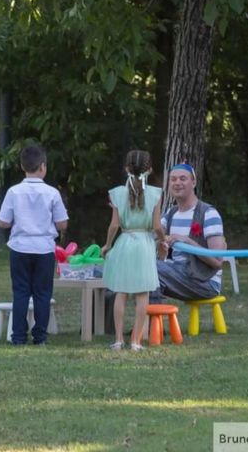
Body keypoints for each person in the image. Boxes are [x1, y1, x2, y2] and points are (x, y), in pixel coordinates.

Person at [0, 144, 68, 345]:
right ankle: (40, 336)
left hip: (20, 246)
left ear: (22, 166)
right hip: (44, 248)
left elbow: (3, 221)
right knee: (42, 293)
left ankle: (18, 336)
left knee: (20, 292)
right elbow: (62, 223)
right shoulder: (52, 193)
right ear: (43, 167)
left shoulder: (13, 191)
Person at [101, 150, 165, 351]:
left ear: (126, 168)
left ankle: (119, 340)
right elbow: (156, 226)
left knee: (121, 291)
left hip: (125, 242)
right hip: (144, 244)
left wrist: (108, 245)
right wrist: (163, 240)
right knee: (142, 293)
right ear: (150, 169)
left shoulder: (116, 193)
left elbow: (114, 225)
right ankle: (136, 341)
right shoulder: (156, 193)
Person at [154, 163, 226, 301]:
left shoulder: (209, 213)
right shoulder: (171, 213)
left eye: (182, 178)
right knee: (143, 270)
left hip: (204, 282)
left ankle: (150, 322)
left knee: (152, 269)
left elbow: (217, 262)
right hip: (176, 273)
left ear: (193, 182)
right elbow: (152, 234)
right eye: (173, 179)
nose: (177, 183)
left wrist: (188, 241)